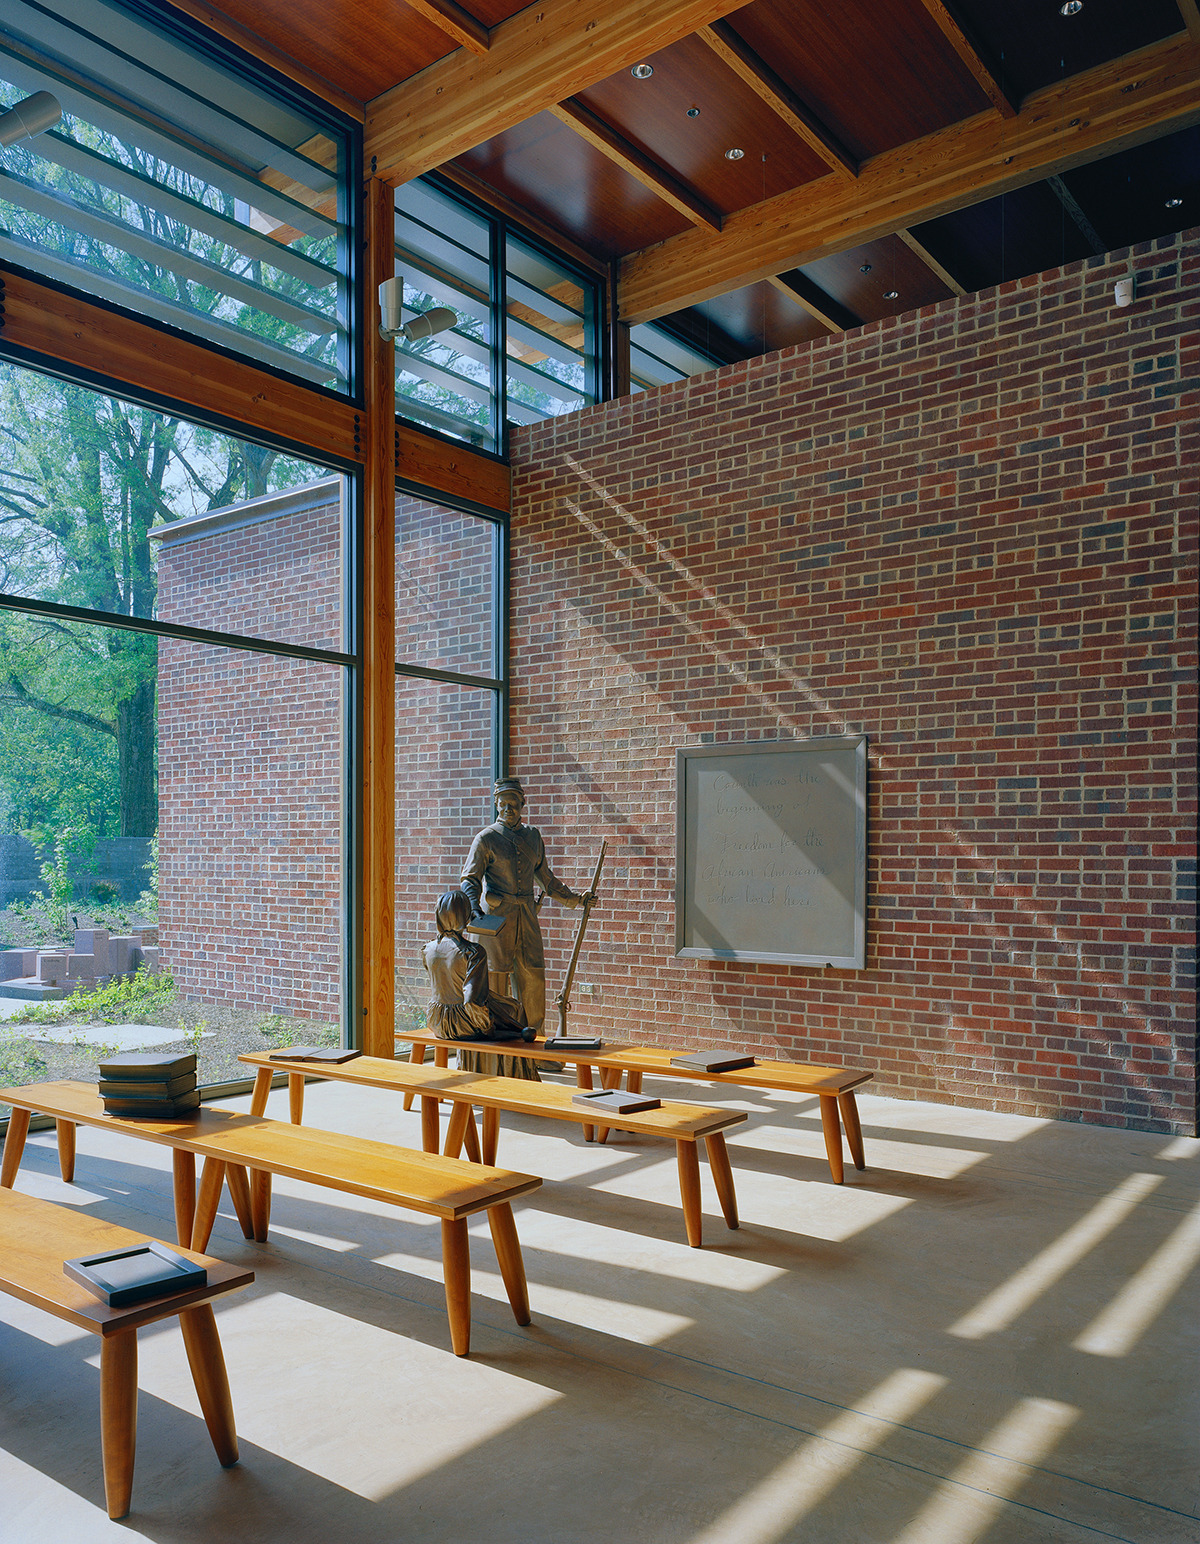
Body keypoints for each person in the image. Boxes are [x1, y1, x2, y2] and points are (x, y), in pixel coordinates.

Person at [460, 777, 594, 1038]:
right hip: (496, 921)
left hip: (527, 918)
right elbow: (469, 880)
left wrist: (576, 899)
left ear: (523, 803)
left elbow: (546, 879)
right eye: (503, 804)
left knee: (533, 980)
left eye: (514, 803)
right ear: (496, 805)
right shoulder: (485, 838)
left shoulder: (533, 837)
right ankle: (500, 1049)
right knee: (496, 984)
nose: (508, 809)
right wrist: (475, 911)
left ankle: (536, 1048)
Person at [421, 890, 538, 1081]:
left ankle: (483, 1069)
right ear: (465, 916)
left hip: (436, 1020)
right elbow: (472, 1001)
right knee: (515, 1009)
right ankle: (517, 1079)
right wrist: (488, 1028)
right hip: (463, 1023)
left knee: (504, 1008)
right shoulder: (473, 952)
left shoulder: (427, 949)